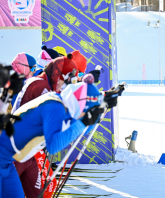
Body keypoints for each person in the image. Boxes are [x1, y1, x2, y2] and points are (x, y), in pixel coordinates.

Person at [0, 82, 118, 198]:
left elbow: (80, 131)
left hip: (7, 163)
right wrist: (85, 121)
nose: (83, 115)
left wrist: (100, 111)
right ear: (80, 104)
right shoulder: (55, 107)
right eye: (86, 112)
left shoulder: (64, 107)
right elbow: (53, 146)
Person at [11, 53, 78, 198]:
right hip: (14, 152)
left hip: (28, 153)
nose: (63, 84)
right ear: (57, 73)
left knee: (41, 193)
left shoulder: (44, 83)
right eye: (63, 78)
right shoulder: (40, 86)